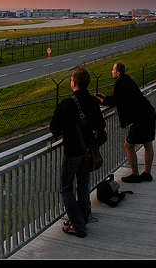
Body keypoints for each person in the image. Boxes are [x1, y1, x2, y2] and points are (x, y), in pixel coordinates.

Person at [51, 67, 105, 238]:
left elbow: (54, 128)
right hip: (88, 152)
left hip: (72, 153)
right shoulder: (93, 102)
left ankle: (79, 226)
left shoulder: (67, 104)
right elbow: (100, 126)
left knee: (66, 189)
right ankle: (84, 216)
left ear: (74, 83)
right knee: (83, 185)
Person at [97, 62, 156, 183]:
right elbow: (120, 98)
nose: (112, 72)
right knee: (147, 143)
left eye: (113, 70)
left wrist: (103, 101)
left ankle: (135, 174)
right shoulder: (126, 80)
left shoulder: (120, 82)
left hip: (142, 118)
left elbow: (116, 101)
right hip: (148, 112)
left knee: (128, 145)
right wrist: (106, 98)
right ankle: (147, 174)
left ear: (118, 73)